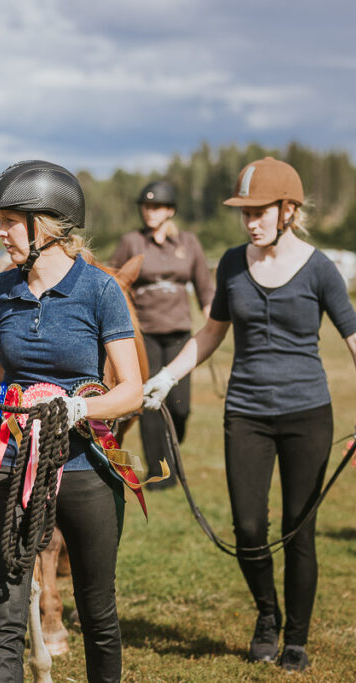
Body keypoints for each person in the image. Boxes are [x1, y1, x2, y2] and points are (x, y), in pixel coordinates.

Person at [143, 157, 356, 672]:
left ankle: (296, 639)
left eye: (260, 211)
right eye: (244, 213)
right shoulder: (231, 264)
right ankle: (267, 614)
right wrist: (167, 376)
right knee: (247, 528)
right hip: (245, 412)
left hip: (308, 414)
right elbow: (211, 332)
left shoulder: (319, 268)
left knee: (297, 529)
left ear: (288, 210)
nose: (251, 222)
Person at [0, 161, 142, 682]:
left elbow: (131, 390)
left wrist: (79, 408)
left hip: (86, 471)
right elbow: (3, 369)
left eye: (8, 220)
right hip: (13, 467)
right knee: (4, 617)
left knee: (98, 614)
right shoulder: (1, 290)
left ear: (46, 226)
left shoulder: (100, 292)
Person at [111, 180, 214, 488]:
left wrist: (212, 318)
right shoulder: (131, 242)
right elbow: (114, 283)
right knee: (150, 403)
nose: (149, 211)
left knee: (181, 406)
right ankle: (158, 474)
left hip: (181, 333)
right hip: (145, 336)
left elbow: (205, 286)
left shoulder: (189, 243)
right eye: (146, 206)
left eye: (156, 207)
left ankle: (170, 455)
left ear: (170, 211)